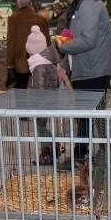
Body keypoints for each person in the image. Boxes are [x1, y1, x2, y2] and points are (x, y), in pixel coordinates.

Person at [51, 0, 111, 160]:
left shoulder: (88, 5)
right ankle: (87, 153)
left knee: (87, 116)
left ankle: (85, 155)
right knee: (87, 116)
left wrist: (63, 46)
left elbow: (87, 41)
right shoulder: (81, 4)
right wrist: (64, 65)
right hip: (88, 68)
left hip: (93, 70)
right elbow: (79, 39)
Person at [25, 26, 63, 165]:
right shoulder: (47, 63)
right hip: (48, 101)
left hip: (41, 104)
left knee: (41, 129)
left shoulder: (39, 66)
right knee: (42, 128)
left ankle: (50, 151)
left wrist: (34, 102)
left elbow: (39, 89)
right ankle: (53, 148)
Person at [5, 0, 50, 89]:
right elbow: (48, 42)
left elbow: (11, 43)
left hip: (20, 64)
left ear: (18, 4)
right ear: (31, 4)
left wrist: (9, 63)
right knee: (39, 91)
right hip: (39, 61)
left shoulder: (13, 19)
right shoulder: (41, 19)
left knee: (21, 92)